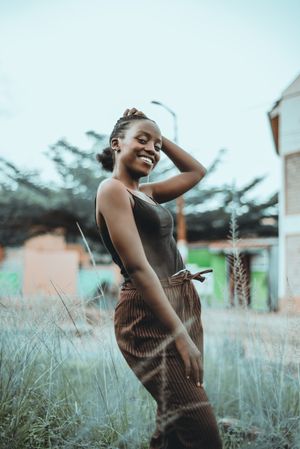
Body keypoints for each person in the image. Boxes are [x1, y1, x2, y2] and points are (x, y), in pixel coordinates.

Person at [95, 107, 223, 449]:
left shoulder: (147, 194)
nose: (151, 149)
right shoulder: (112, 190)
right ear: (116, 144)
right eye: (141, 139)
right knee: (204, 434)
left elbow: (196, 171)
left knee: (174, 429)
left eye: (156, 144)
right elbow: (138, 268)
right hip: (148, 314)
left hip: (182, 301)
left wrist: (159, 140)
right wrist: (180, 334)